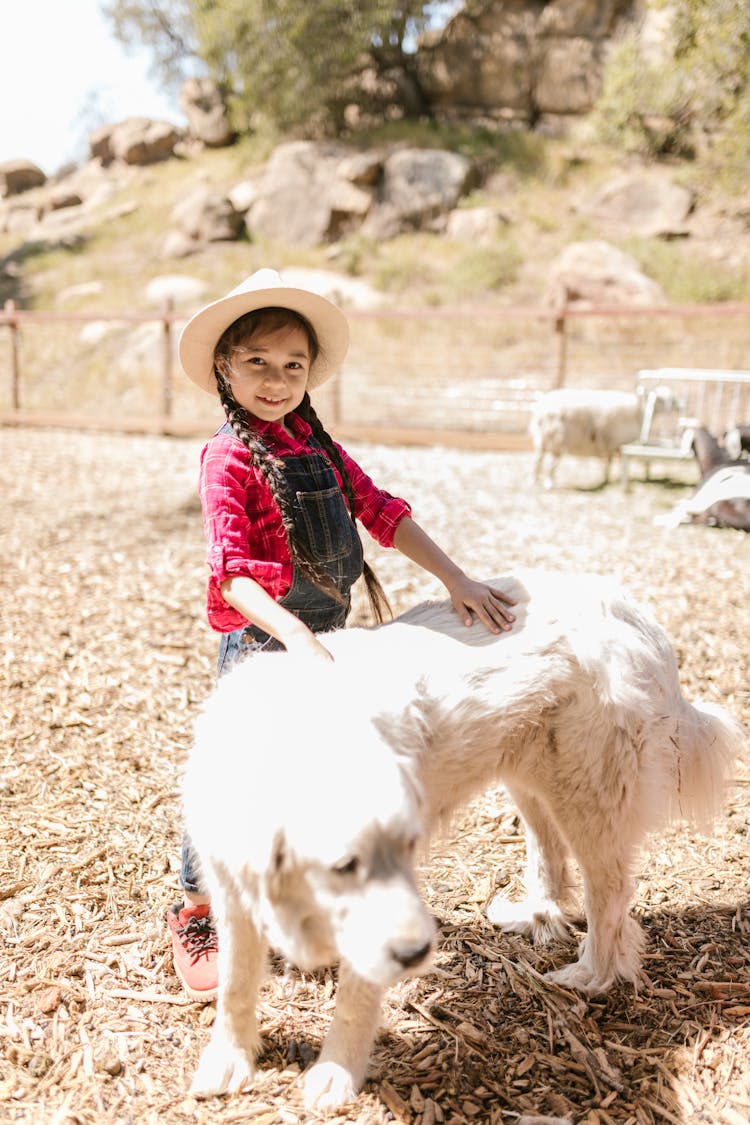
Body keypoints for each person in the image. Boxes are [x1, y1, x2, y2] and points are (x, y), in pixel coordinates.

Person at [169, 268, 517, 1000]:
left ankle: (312, 894)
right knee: (239, 777)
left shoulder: (315, 445)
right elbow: (231, 574)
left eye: (292, 365)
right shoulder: (228, 456)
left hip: (333, 644)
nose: (276, 378)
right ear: (224, 367)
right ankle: (198, 906)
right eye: (258, 362)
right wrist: (293, 634)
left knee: (323, 772)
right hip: (268, 646)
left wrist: (456, 578)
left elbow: (383, 511)